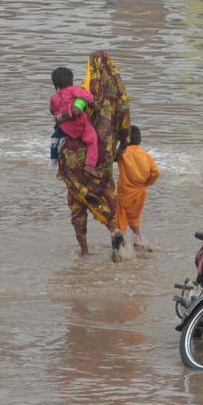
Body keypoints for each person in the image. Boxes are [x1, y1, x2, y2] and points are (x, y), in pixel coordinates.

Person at [56, 51, 131, 257]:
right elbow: (125, 127)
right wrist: (121, 147)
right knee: (105, 193)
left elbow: (65, 114)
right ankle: (114, 230)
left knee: (77, 198)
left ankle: (84, 250)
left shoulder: (85, 88)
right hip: (102, 155)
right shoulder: (121, 97)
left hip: (74, 154)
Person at [112, 125, 160, 257]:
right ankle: (139, 240)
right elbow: (155, 172)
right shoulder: (146, 156)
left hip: (124, 193)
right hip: (140, 193)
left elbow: (110, 157)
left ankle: (123, 247)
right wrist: (146, 183)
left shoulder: (123, 153)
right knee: (134, 217)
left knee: (120, 220)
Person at [50, 66, 100, 168]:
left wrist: (60, 113)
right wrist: (96, 106)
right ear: (71, 80)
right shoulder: (76, 90)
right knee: (92, 139)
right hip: (79, 124)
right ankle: (90, 165)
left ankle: (58, 152)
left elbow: (52, 110)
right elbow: (88, 97)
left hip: (65, 127)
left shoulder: (54, 97)